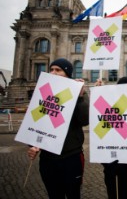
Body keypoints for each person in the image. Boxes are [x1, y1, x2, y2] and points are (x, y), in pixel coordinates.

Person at [28, 58, 89, 199]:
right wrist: (33, 145)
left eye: (58, 70)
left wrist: (80, 98)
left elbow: (85, 120)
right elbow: (34, 124)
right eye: (51, 69)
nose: (53, 72)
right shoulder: (43, 93)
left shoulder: (78, 92)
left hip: (71, 157)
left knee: (73, 195)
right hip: (47, 158)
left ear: (67, 74)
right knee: (54, 195)